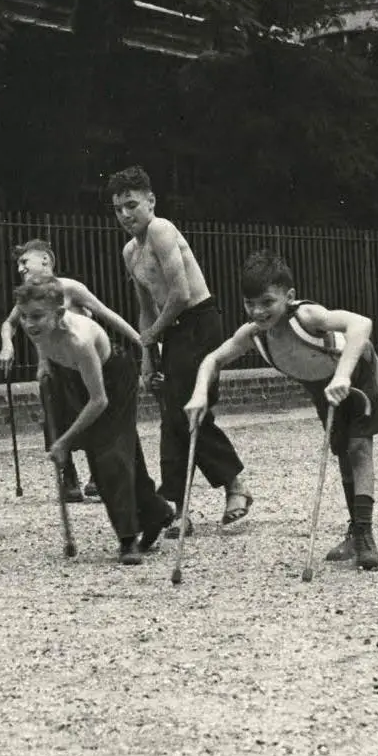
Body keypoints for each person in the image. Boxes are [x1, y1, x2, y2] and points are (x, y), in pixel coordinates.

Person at [184, 249, 378, 570]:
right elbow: (212, 359)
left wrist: (343, 374)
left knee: (358, 448)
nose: (258, 311)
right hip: (322, 384)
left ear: (289, 296)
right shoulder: (254, 334)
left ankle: (365, 535)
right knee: (341, 451)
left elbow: (361, 324)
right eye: (250, 303)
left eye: (267, 302)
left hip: (355, 371)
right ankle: (355, 529)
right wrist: (200, 393)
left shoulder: (306, 317)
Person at [108, 165, 251, 538]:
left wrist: (154, 334)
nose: (125, 215)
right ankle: (179, 506)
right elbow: (146, 308)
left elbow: (181, 294)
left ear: (151, 201)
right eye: (118, 208)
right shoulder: (130, 252)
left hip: (199, 323)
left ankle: (228, 485)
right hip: (171, 331)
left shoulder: (161, 229)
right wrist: (146, 354)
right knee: (173, 415)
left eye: (131, 205)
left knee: (182, 411)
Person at [15, 274, 174, 563]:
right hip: (77, 375)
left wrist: (64, 441)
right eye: (24, 317)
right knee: (119, 451)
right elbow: (43, 339)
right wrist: (43, 362)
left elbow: (99, 400)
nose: (28, 324)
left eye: (36, 316)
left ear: (60, 313)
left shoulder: (79, 341)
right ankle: (156, 512)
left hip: (114, 377)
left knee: (109, 456)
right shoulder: (41, 328)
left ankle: (128, 539)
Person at [0, 239, 141, 502]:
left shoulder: (69, 288)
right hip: (53, 364)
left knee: (92, 411)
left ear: (46, 260)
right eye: (18, 264)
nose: (20, 269)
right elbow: (9, 324)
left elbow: (105, 313)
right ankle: (68, 473)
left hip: (81, 359)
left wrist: (142, 341)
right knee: (55, 413)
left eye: (24, 262)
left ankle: (96, 474)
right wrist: (7, 344)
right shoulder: (29, 294)